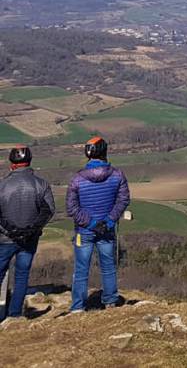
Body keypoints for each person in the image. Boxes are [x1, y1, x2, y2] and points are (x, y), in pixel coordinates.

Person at [66, 136, 130, 313]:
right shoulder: (117, 175)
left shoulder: (77, 179)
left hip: (84, 230)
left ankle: (78, 307)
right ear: (105, 152)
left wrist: (92, 223)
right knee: (108, 267)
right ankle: (110, 302)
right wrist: (108, 221)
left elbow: (71, 208)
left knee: (81, 270)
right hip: (107, 229)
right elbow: (123, 200)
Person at [0, 145, 55, 325]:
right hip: (29, 240)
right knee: (21, 276)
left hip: (5, 238)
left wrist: (11, 230)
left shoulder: (2, 185)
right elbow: (48, 210)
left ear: (11, 163)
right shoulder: (41, 184)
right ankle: (15, 315)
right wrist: (31, 230)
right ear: (29, 162)